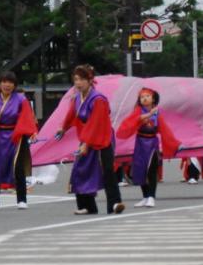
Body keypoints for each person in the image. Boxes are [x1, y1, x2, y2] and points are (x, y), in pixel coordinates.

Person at [56, 64, 125, 215]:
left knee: (107, 171)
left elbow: (95, 123)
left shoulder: (98, 99)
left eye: (81, 79)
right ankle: (87, 206)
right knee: (81, 170)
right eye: (75, 79)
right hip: (87, 137)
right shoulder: (77, 98)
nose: (78, 83)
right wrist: (63, 128)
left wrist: (86, 144)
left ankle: (114, 203)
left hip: (102, 138)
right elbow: (72, 115)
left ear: (90, 80)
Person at [117, 86, 181, 208]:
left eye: (147, 96)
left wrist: (174, 143)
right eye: (142, 97)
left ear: (153, 98)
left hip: (152, 144)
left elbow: (164, 129)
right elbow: (134, 121)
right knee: (141, 170)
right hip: (140, 143)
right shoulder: (138, 111)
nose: (144, 99)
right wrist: (148, 115)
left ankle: (151, 197)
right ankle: (145, 197)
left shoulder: (157, 112)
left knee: (151, 171)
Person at [0, 71, 38, 210]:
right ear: (0, 84)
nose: (7, 85)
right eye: (4, 82)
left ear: (15, 85)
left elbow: (27, 116)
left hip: (16, 135)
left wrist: (32, 131)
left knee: (17, 167)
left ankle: (21, 199)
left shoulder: (21, 99)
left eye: (10, 82)